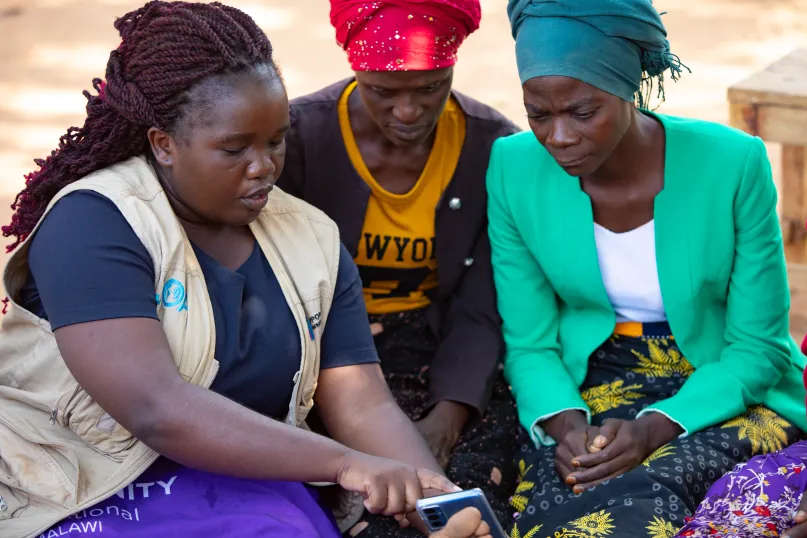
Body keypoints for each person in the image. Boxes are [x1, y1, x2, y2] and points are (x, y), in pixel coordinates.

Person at [0, 2, 490, 537]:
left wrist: (440, 501)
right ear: (163, 144)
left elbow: (363, 401)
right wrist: (345, 464)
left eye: (276, 141)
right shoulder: (96, 220)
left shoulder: (311, 238)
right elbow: (155, 408)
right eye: (234, 149)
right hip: (83, 488)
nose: (264, 167)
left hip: (248, 487)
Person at [486, 0, 807, 536]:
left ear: (628, 87)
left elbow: (759, 347)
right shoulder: (513, 168)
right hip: (593, 377)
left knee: (646, 493)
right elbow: (530, 342)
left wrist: (657, 427)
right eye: (539, 114)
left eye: (583, 112)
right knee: (565, 489)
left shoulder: (732, 164)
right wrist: (566, 425)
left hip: (720, 379)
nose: (559, 137)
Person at [276, 0, 520, 534]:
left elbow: (483, 301)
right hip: (322, 350)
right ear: (354, 68)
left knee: (484, 472)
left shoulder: (492, 147)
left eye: (431, 87)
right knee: (360, 491)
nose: (408, 112)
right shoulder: (295, 139)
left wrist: (449, 414)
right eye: (382, 91)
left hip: (441, 347)